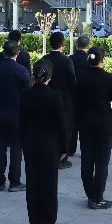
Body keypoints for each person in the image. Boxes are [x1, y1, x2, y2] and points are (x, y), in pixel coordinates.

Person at [20, 60, 67, 224]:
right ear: (50, 76)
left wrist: (22, 143)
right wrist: (64, 148)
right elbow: (62, 124)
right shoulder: (55, 96)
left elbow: (21, 121)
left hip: (30, 144)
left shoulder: (25, 94)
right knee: (49, 185)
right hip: (50, 146)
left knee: (32, 184)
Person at [75, 47, 112, 210]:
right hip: (105, 124)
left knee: (86, 160)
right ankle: (98, 196)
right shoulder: (109, 78)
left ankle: (90, 194)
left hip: (85, 124)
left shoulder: (81, 77)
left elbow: (76, 102)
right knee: (102, 163)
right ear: (103, 60)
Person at [0, 40, 31, 191]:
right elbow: (27, 95)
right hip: (17, 115)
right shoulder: (21, 71)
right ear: (17, 53)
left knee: (0, 146)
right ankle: (15, 181)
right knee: (16, 149)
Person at [41, 31, 77, 167]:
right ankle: (62, 158)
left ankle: (49, 154)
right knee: (65, 128)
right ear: (62, 44)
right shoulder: (67, 60)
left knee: (49, 127)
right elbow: (72, 82)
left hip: (46, 98)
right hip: (64, 99)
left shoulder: (45, 59)